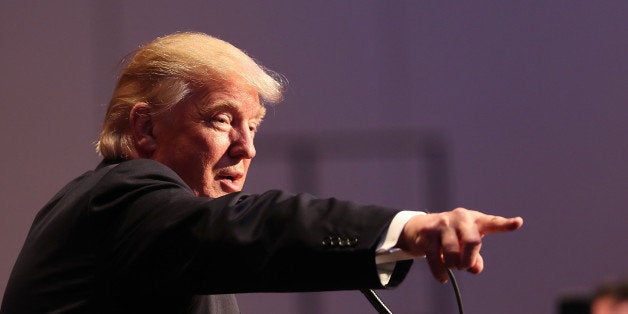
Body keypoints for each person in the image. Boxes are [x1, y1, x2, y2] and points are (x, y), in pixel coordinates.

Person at [1, 32, 523, 313]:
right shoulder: (120, 199)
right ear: (145, 129)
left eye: (254, 126)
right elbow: (256, 225)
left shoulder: (163, 238)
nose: (246, 148)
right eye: (222, 120)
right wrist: (404, 229)